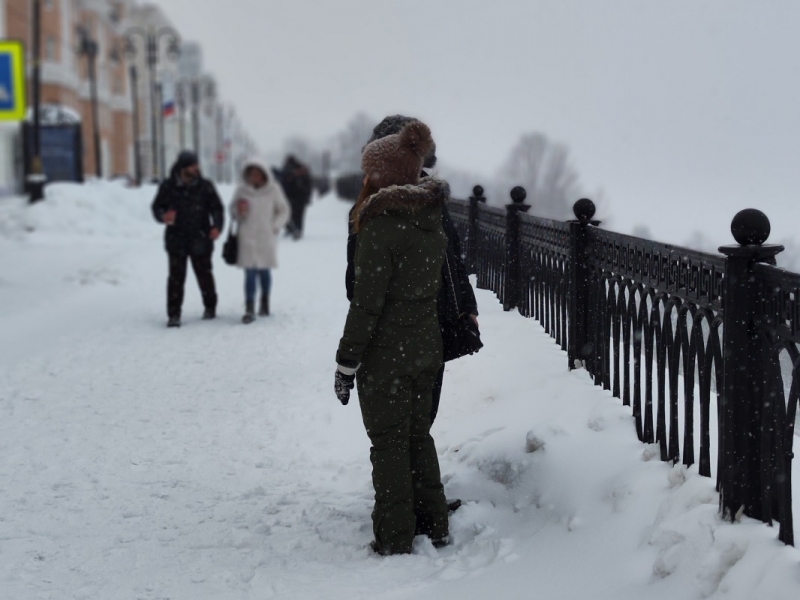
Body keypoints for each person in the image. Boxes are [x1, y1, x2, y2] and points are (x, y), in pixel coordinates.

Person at [335, 121, 450, 556]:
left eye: (370, 170)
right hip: (425, 349)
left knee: (388, 446)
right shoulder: (430, 220)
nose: (366, 177)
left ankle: (395, 537)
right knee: (419, 438)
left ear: (383, 174)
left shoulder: (381, 227)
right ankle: (435, 524)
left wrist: (346, 364)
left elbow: (366, 307)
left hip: (388, 356)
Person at [346, 115, 479, 426]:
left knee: (421, 417)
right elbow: (357, 283)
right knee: (395, 423)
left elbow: (453, 259)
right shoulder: (370, 210)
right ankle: (407, 474)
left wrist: (466, 306)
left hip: (437, 323)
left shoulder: (433, 200)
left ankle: (413, 473)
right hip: (391, 331)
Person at [151, 151, 224, 328]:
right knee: (176, 277)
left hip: (201, 236)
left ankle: (210, 307)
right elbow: (157, 207)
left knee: (204, 274)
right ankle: (174, 315)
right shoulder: (168, 186)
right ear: (183, 167)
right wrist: (163, 216)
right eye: (192, 165)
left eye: (196, 164)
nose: (196, 168)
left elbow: (217, 208)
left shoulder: (205, 186)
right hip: (176, 238)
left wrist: (217, 226)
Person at [229, 158, 291, 323]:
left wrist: (275, 226)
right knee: (249, 272)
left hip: (266, 236)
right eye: (251, 174)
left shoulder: (274, 189)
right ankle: (249, 307)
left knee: (264, 271)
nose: (254, 177)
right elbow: (233, 209)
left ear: (264, 174)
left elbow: (283, 210)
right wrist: (239, 211)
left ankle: (264, 300)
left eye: (257, 173)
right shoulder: (242, 190)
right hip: (247, 236)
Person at [281, 155, 313, 240]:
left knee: (290, 214)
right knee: (298, 215)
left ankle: (294, 229)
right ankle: (297, 229)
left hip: (292, 197)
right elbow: (308, 186)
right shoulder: (299, 172)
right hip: (298, 197)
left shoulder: (288, 171)